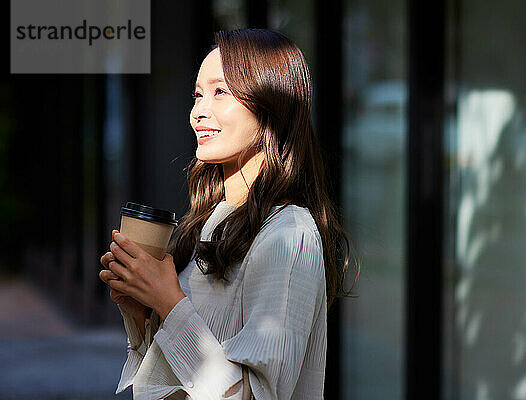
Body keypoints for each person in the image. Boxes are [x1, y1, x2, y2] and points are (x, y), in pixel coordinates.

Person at [98, 28, 358, 400]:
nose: (198, 112)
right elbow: (176, 381)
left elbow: (254, 395)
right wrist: (144, 312)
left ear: (272, 103)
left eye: (220, 92)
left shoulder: (288, 234)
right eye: (198, 95)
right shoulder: (210, 221)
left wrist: (169, 304)